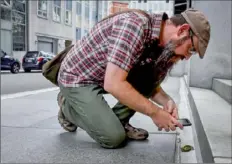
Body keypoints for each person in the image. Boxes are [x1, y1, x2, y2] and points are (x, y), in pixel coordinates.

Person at [56, 8, 211, 149]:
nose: (187, 57)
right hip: (78, 78)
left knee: (146, 80)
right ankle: (67, 108)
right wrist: (155, 113)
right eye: (191, 49)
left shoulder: (162, 48)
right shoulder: (134, 26)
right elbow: (114, 84)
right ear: (183, 30)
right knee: (113, 137)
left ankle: (118, 122)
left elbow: (148, 85)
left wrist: (166, 101)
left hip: (106, 75)